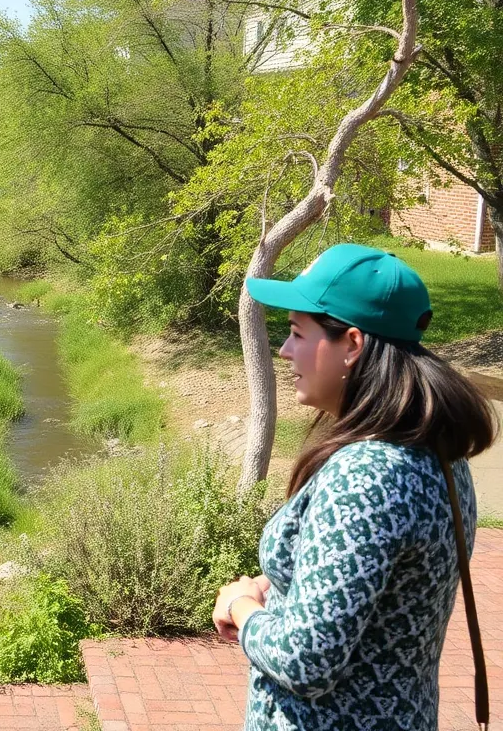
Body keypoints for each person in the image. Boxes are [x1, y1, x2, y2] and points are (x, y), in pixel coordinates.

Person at [212, 243, 495, 729]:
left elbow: (306, 661)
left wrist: (241, 606)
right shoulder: (436, 449)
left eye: (298, 333)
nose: (284, 350)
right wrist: (280, 583)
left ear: (352, 345)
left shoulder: (367, 477)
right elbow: (376, 591)